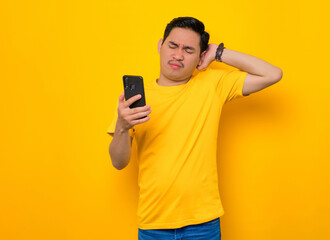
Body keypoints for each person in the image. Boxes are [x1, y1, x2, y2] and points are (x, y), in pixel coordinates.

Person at [107, 17, 282, 240]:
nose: (178, 55)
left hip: (203, 224)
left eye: (189, 50)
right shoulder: (133, 100)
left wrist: (218, 53)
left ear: (200, 56)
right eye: (173, 46)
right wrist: (122, 126)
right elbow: (118, 162)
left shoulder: (212, 85)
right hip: (153, 223)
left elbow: (273, 74)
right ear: (160, 46)